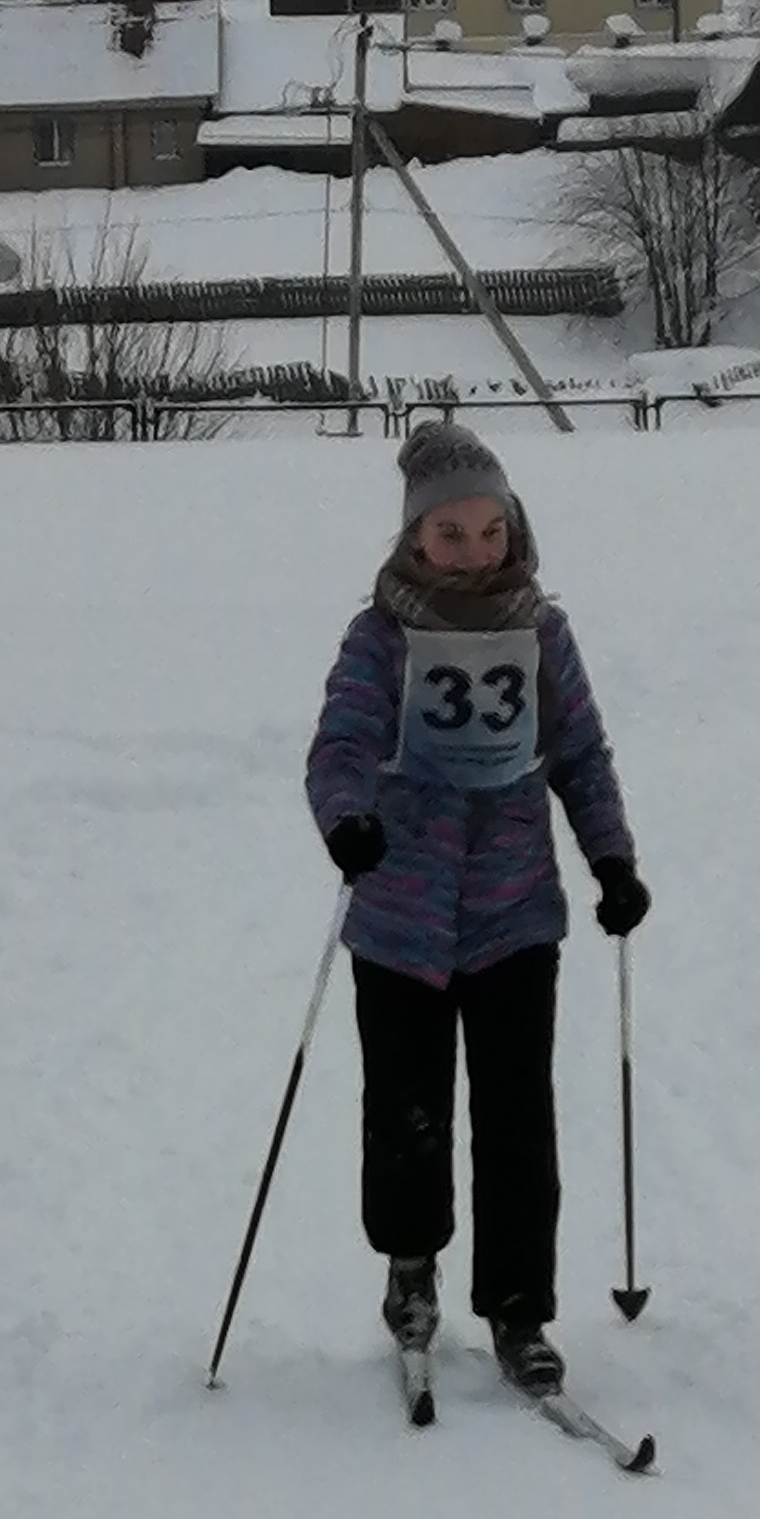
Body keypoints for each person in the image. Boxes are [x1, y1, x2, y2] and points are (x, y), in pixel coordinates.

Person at [306, 418, 646, 1399]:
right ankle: (410, 1272)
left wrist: (612, 859)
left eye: (490, 530)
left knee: (517, 1121)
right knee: (405, 1115)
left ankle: (519, 1307)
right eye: (450, 533)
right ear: (416, 536)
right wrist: (347, 819)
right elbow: (341, 745)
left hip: (512, 914)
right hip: (400, 919)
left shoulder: (541, 632)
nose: (474, 550)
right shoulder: (381, 636)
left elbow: (580, 754)